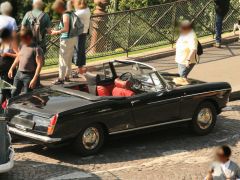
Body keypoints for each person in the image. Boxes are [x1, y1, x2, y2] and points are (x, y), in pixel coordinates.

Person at [8, 28, 44, 97]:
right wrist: (11, 68)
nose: (20, 40)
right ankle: (13, 107)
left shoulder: (36, 49)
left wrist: (34, 79)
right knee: (13, 93)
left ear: (28, 37)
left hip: (29, 76)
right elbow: (18, 57)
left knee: (28, 97)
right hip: (19, 74)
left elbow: (39, 65)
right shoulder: (22, 45)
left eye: (21, 38)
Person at [50, 0, 78, 85]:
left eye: (56, 9)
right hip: (73, 37)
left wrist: (56, 32)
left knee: (62, 59)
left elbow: (66, 29)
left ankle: (61, 79)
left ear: (60, 7)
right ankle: (67, 76)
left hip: (66, 39)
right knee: (68, 58)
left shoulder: (65, 14)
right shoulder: (72, 13)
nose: (56, 11)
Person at [174, 20, 198, 85]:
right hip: (181, 60)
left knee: (182, 79)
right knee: (182, 77)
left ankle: (186, 90)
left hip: (186, 61)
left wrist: (188, 60)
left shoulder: (191, 35)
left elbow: (193, 49)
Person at [73, 0, 91, 77]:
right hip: (84, 31)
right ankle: (80, 68)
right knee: (81, 49)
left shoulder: (79, 13)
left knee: (78, 50)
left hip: (79, 33)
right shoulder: (87, 10)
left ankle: (80, 69)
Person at [0, 28, 18, 103]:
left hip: (8, 70)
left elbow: (18, 55)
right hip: (2, 69)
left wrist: (7, 54)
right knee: (6, 91)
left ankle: (2, 107)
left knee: (5, 90)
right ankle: (10, 106)